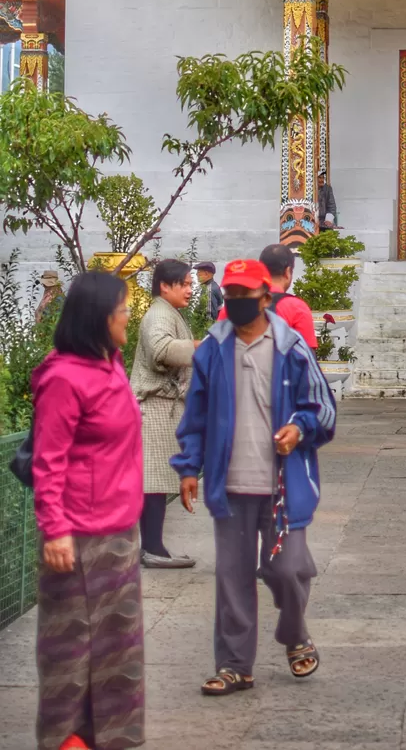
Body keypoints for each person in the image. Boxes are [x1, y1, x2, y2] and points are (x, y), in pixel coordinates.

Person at [172, 258, 337, 696]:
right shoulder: (212, 349)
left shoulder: (292, 348)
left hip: (284, 485)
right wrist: (189, 467)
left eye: (245, 296)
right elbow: (196, 416)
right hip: (229, 486)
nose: (236, 303)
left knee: (287, 569)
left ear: (266, 297)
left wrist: (299, 428)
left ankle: (295, 633)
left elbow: (324, 409)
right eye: (231, 296)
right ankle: (233, 665)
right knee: (232, 576)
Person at [31, 271, 145, 750]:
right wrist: (55, 528)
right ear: (101, 318)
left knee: (118, 650)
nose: (128, 316)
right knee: (71, 650)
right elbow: (47, 459)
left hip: (118, 530)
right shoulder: (64, 377)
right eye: (123, 310)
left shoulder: (110, 363)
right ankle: (65, 739)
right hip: (77, 536)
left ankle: (111, 738)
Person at [131, 258, 198, 568]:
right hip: (154, 408)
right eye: (184, 283)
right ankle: (153, 549)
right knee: (153, 482)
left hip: (163, 408)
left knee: (155, 481)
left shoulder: (166, 312)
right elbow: (161, 350)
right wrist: (201, 347)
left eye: (189, 283)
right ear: (165, 286)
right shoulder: (159, 314)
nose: (190, 289)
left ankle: (153, 547)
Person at [216, 244, 318, 350]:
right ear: (288, 272)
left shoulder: (233, 305)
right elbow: (306, 358)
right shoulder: (297, 308)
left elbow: (218, 347)